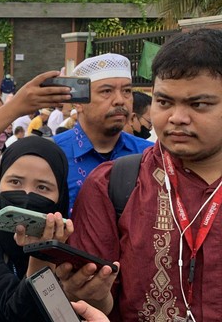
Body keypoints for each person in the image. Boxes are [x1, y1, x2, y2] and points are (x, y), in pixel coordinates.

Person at [69, 28, 222, 321]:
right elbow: (92, 304)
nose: (177, 117)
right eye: (164, 102)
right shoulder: (112, 185)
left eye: (198, 104)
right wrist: (93, 298)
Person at [0, 136, 117, 321]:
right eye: (15, 182)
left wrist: (98, 294)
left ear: (60, 196)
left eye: (42, 187)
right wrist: (42, 255)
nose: (27, 195)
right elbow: (11, 314)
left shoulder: (70, 238)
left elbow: (99, 306)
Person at [53, 53, 153, 211]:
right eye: (107, 91)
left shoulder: (150, 155)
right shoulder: (53, 155)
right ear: (78, 103)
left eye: (127, 91)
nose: (120, 100)